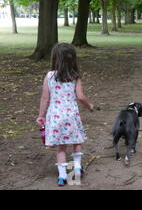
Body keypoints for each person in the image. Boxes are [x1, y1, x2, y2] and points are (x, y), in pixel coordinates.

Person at [36, 43, 94, 187]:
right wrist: (90, 106)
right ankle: (75, 171)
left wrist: (41, 115)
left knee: (61, 147)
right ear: (73, 59)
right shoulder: (75, 77)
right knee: (76, 142)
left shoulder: (49, 76)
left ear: (55, 58)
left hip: (55, 117)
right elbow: (80, 97)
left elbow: (45, 98)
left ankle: (62, 177)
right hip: (71, 116)